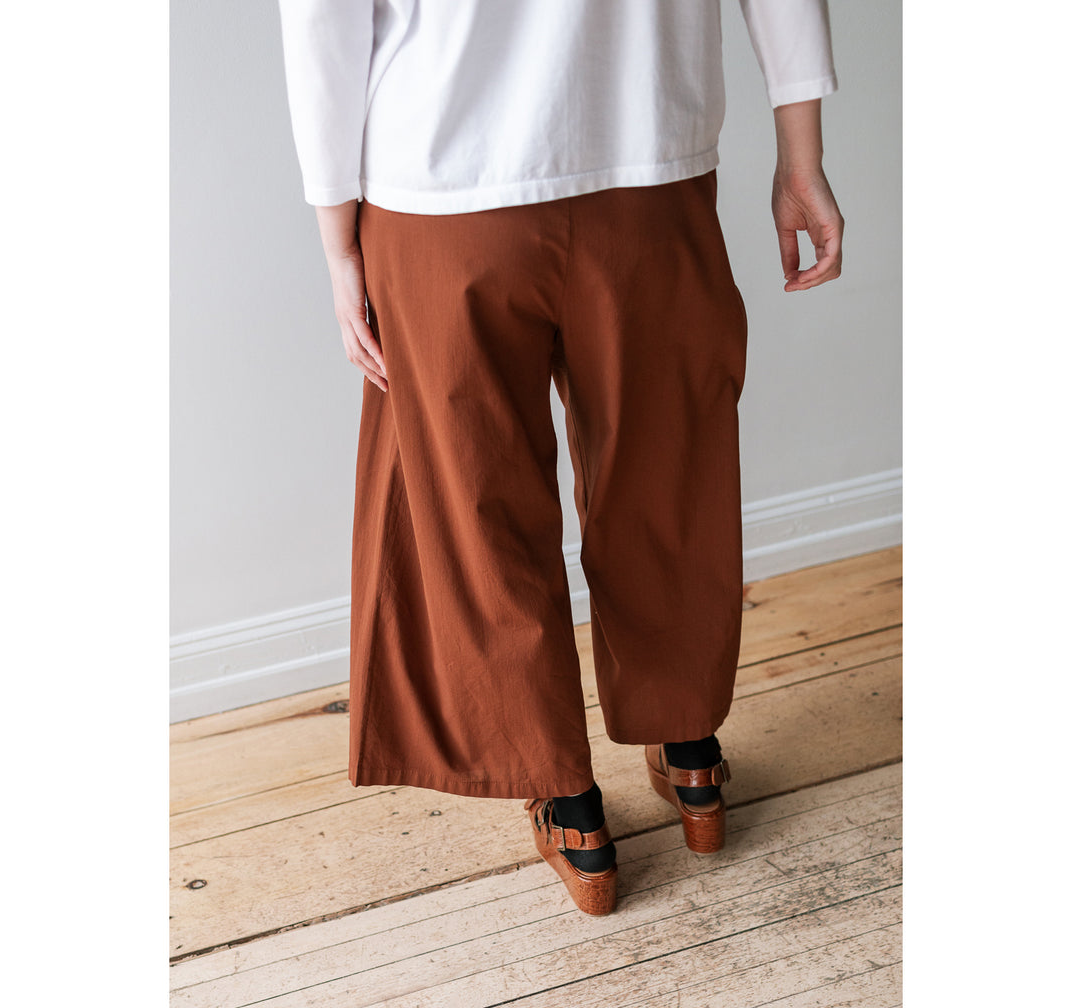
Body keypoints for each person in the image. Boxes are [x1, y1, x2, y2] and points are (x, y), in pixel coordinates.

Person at [276, 0, 844, 916]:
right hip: (648, 162)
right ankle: (691, 755)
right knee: (668, 470)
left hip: (444, 187)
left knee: (473, 501)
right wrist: (801, 153)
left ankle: (572, 811)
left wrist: (336, 236)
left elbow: (322, 21)